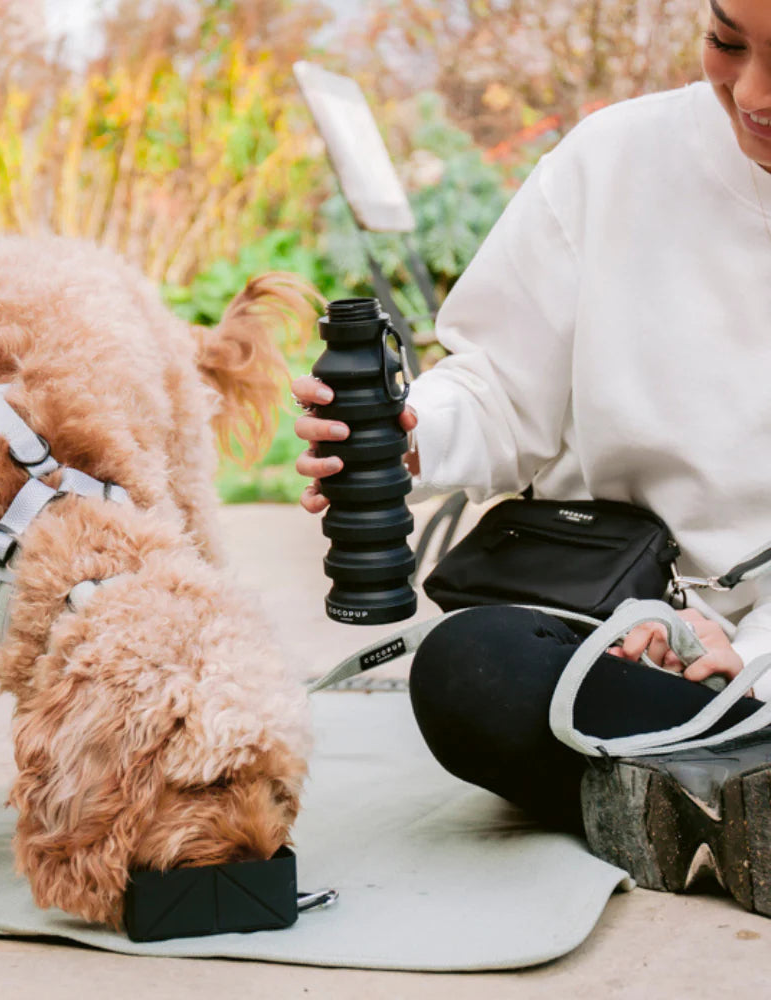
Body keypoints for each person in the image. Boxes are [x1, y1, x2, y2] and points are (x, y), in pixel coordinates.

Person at [291, 0, 771, 911]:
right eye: (727, 41)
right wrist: (404, 433)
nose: (751, 93)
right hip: (630, 635)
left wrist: (746, 654)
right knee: (474, 668)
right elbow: (503, 388)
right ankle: (730, 794)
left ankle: (689, 794)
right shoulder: (614, 163)